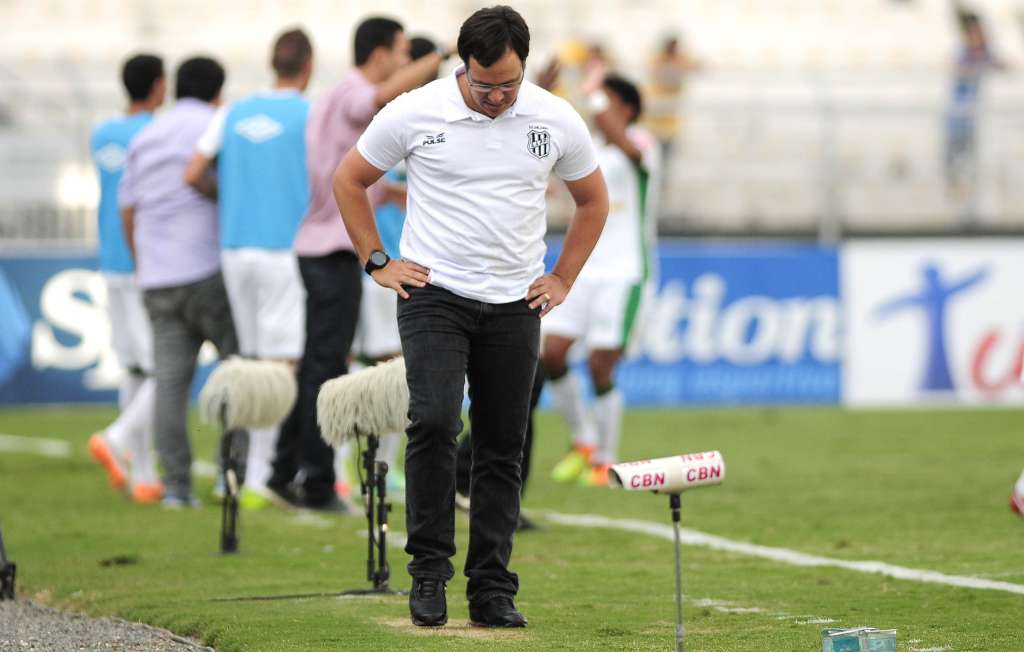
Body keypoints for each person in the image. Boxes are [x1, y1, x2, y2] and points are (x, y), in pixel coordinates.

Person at [333, 5, 608, 628]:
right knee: (431, 420)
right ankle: (428, 573)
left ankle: (491, 589)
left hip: (517, 301)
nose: (496, 97)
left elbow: (593, 200)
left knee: (502, 445)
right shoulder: (414, 109)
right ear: (464, 66)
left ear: (524, 68)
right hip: (435, 293)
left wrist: (562, 276)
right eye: (485, 85)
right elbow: (350, 180)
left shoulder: (553, 117)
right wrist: (378, 260)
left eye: (508, 85)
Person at [275, 17, 445, 512]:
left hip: (320, 246)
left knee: (317, 365)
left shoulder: (332, 96)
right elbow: (373, 101)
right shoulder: (353, 92)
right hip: (331, 249)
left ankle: (285, 470)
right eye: (400, 53)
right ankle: (317, 483)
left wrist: (390, 192)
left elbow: (344, 169)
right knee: (326, 369)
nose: (403, 63)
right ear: (378, 54)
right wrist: (441, 55)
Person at [183, 29, 314, 510]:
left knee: (244, 358)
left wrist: (231, 197)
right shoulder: (308, 113)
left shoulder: (231, 112)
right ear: (308, 65)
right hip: (284, 248)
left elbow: (193, 173)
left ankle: (231, 471)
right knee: (280, 364)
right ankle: (261, 473)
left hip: (235, 246)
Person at [119, 56, 241, 509]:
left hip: (157, 276)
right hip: (208, 271)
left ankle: (176, 488)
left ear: (172, 89)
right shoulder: (217, 125)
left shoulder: (146, 134)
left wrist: (143, 262)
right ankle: (231, 475)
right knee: (236, 373)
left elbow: (127, 208)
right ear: (218, 91)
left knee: (169, 385)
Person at [339, 35, 442, 500]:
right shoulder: (401, 121)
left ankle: (372, 463)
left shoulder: (429, 119)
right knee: (393, 364)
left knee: (388, 362)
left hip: (409, 258)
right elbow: (365, 184)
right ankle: (363, 463)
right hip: (390, 257)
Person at [545, 74, 661, 488]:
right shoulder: (589, 152)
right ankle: (584, 441)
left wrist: (590, 93)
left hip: (625, 273)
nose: (600, 110)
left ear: (626, 108)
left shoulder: (644, 144)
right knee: (551, 353)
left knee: (600, 363)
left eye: (609, 102)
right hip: (584, 270)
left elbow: (624, 142)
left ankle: (606, 463)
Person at [88, 53, 166, 504]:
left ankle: (143, 474)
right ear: (158, 86)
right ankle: (117, 438)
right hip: (144, 262)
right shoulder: (153, 135)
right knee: (167, 366)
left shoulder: (102, 134)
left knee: (135, 367)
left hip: (110, 260)